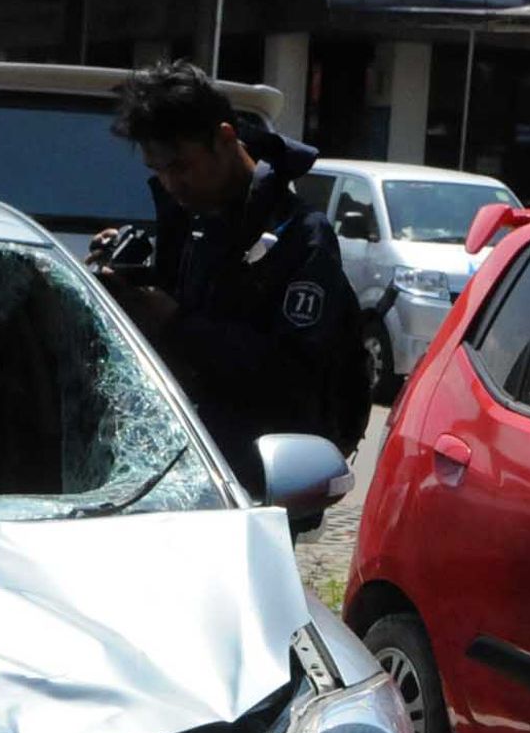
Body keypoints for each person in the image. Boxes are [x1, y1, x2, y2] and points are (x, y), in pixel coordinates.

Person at [93, 61, 364, 490]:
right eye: (157, 170)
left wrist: (177, 322)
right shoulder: (190, 222)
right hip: (179, 471)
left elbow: (294, 377)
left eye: (180, 166)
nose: (170, 183)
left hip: (261, 484)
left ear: (224, 138)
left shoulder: (300, 235)